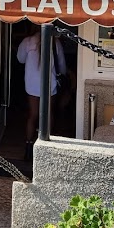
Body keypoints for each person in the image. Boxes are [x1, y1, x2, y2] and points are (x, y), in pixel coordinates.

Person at [17, 28, 67, 161]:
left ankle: (28, 148)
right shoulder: (55, 42)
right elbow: (61, 65)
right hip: (50, 84)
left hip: (31, 84)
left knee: (32, 115)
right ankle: (45, 148)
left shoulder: (27, 42)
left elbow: (20, 59)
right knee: (48, 115)